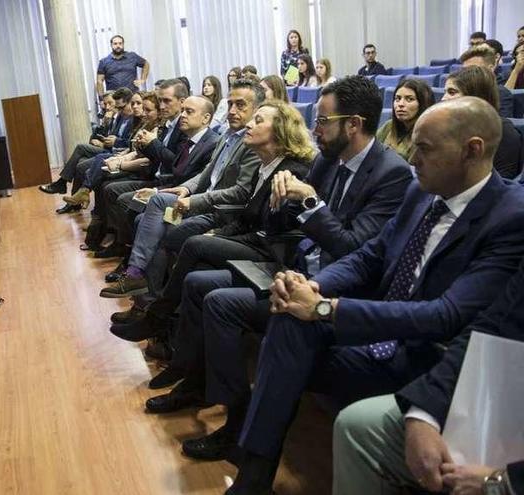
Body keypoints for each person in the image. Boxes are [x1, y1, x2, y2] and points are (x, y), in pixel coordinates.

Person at [223, 97, 524, 495]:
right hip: (381, 334)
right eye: (413, 144)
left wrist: (326, 308)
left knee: (291, 334)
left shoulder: (510, 217)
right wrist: (315, 287)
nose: (412, 157)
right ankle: (254, 479)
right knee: (289, 320)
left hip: (433, 360)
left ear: (473, 149)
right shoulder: (422, 193)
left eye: (425, 148)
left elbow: (444, 316)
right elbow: (370, 256)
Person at [128, 76, 413, 398]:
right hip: (293, 263)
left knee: (208, 278)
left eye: (322, 120)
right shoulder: (327, 160)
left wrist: (307, 201)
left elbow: (351, 248)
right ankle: (191, 376)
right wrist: (283, 199)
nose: (315, 129)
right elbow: (281, 222)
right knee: (196, 281)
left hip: (328, 285)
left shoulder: (393, 173)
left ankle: (230, 410)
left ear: (353, 125)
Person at [333, 259, 524, 495]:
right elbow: (490, 326)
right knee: (360, 425)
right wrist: (424, 413)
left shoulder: (504, 225)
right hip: (501, 404)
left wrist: (503, 483)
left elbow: (445, 315)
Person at [102, 100, 314, 305]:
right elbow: (207, 173)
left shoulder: (287, 172)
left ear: (280, 131)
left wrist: (213, 225)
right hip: (225, 216)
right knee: (146, 216)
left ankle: (154, 304)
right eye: (230, 104)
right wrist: (187, 191)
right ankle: (144, 295)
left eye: (253, 116)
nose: (235, 113)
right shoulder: (249, 153)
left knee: (172, 230)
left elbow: (255, 212)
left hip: (228, 217)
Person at [96, 79, 190, 259]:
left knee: (123, 198)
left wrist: (152, 144)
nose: (162, 105)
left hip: (169, 183)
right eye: (160, 100)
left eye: (167, 101)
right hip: (156, 176)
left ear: (182, 101)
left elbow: (176, 165)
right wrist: (142, 146)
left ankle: (128, 250)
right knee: (108, 186)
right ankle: (119, 242)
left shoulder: (182, 127)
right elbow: (158, 158)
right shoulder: (169, 125)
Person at [41, 87, 135, 198]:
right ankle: (68, 193)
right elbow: (95, 138)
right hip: (108, 149)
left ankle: (66, 188)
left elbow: (128, 143)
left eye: (112, 104)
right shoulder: (118, 116)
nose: (109, 107)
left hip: (116, 153)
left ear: (129, 103)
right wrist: (104, 124)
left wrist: (112, 142)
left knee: (81, 159)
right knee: (80, 157)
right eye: (105, 104)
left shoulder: (132, 119)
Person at [443, 65, 523, 178]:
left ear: (475, 96)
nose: (443, 98)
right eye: (445, 92)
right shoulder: (449, 127)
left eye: (452, 92)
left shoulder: (503, 131)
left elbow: (504, 181)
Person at [376, 79, 435, 161]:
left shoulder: (428, 134)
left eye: (409, 99)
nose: (400, 104)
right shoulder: (389, 126)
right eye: (397, 99)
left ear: (423, 103)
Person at [459, 43, 515, 118]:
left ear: (490, 69)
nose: (466, 74)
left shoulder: (501, 94)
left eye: (474, 69)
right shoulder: (460, 91)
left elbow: (500, 126)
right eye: (464, 70)